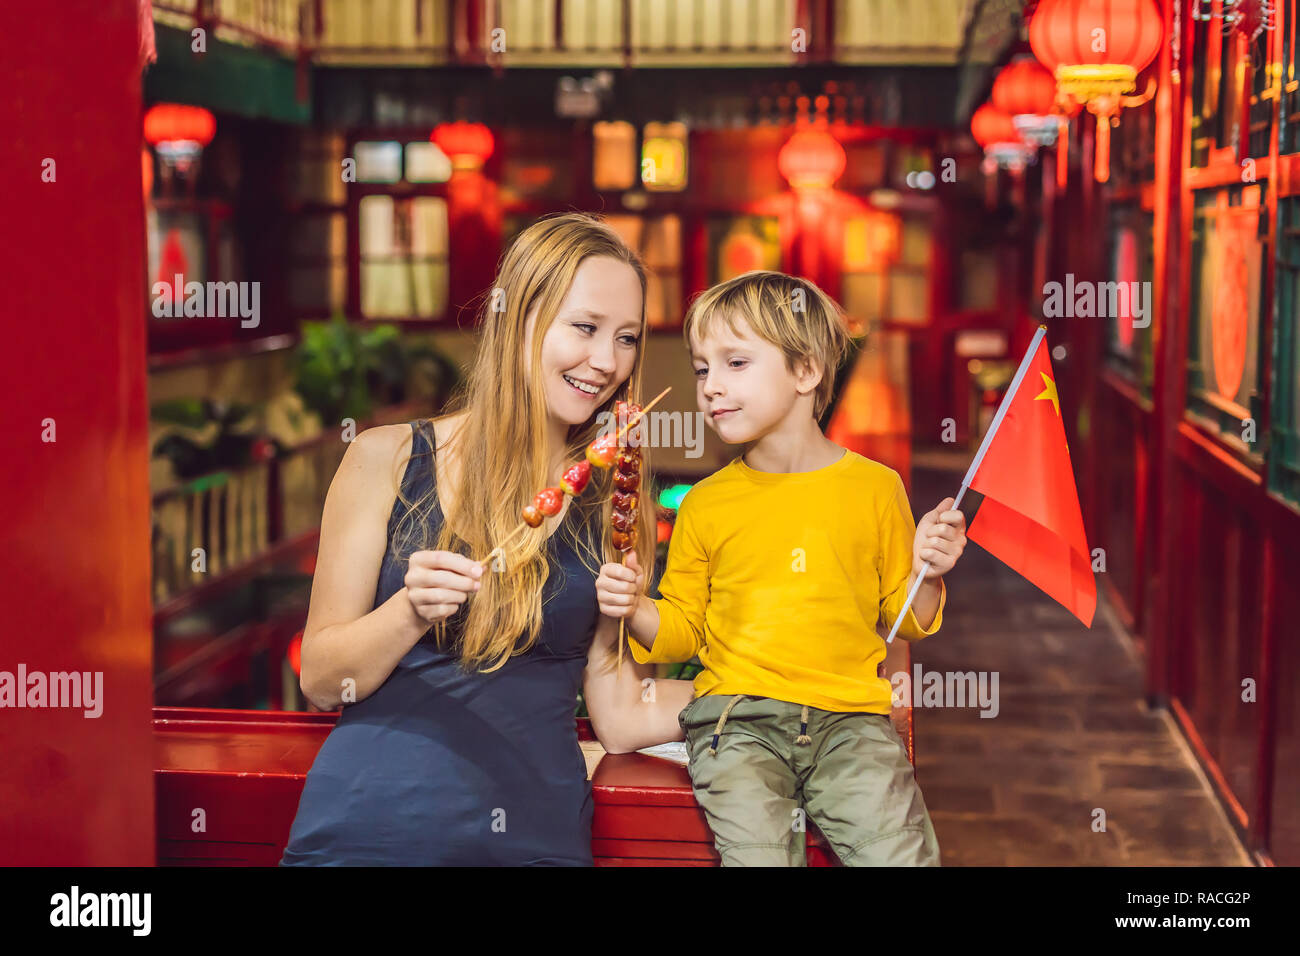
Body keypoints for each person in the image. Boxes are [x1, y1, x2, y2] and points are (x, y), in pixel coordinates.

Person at [281, 213, 693, 866]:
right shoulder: (383, 459)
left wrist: (787, 689)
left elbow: (618, 712)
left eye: (627, 338)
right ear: (518, 319)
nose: (607, 362)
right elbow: (327, 682)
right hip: (365, 836)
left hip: (532, 843)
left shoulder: (616, 499)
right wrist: (408, 610)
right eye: (584, 328)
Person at [596, 270, 967, 866]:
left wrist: (932, 569)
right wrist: (636, 607)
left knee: (900, 855)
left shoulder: (877, 489)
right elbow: (685, 630)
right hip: (736, 723)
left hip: (852, 725)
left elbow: (905, 618)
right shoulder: (706, 503)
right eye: (702, 368)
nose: (711, 386)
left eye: (735, 363)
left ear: (805, 371)